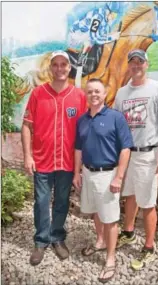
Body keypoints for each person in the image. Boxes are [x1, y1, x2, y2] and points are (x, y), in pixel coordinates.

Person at [114, 49, 158, 270]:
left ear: (146, 64)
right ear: (128, 66)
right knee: (130, 195)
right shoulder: (121, 93)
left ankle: (149, 247)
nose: (136, 65)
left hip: (148, 155)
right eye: (132, 62)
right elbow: (117, 126)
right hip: (127, 154)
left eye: (139, 62)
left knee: (148, 202)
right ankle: (129, 232)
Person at [21, 51, 87, 266]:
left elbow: (85, 131)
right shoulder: (39, 93)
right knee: (41, 202)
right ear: (51, 68)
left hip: (67, 162)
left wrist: (83, 162)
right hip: (42, 160)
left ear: (70, 68)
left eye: (64, 64)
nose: (60, 68)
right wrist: (28, 156)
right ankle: (41, 241)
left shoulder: (79, 96)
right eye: (56, 65)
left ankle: (57, 237)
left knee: (61, 202)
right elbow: (26, 125)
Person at [73, 78, 133, 283]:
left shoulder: (116, 117)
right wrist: (76, 173)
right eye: (90, 92)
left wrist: (119, 177)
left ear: (105, 94)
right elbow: (78, 149)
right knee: (96, 212)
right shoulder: (82, 120)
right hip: (87, 173)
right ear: (86, 95)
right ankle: (99, 241)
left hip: (108, 175)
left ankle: (110, 258)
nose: (93, 95)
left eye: (97, 91)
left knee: (110, 218)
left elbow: (126, 148)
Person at [68, 2, 121, 87]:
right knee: (89, 42)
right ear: (108, 11)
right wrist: (112, 37)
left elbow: (102, 35)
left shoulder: (106, 18)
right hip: (76, 35)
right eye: (114, 14)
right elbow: (95, 38)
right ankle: (79, 67)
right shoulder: (97, 17)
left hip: (87, 34)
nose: (114, 17)